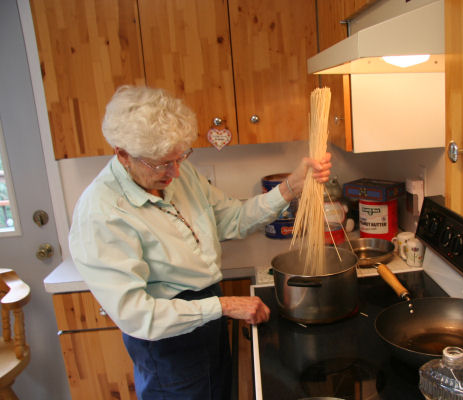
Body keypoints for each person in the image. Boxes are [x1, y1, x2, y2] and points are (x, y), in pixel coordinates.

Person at [68, 85, 332, 399]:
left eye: (180, 157)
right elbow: (138, 315)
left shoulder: (178, 174)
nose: (176, 172)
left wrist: (291, 186)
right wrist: (224, 305)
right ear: (123, 154)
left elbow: (231, 219)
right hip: (168, 346)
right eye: (162, 164)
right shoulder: (101, 213)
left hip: (209, 320)